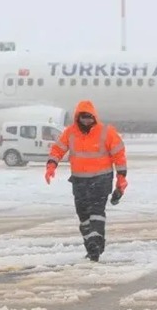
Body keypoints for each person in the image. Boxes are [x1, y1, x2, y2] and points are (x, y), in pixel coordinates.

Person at [44, 100, 128, 262]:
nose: (87, 121)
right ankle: (92, 244)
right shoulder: (70, 133)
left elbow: (119, 156)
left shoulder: (106, 132)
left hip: (101, 180)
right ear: (78, 118)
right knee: (83, 216)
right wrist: (51, 165)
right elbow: (58, 149)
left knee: (96, 213)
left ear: (94, 117)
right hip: (80, 181)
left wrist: (121, 179)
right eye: (83, 118)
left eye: (89, 118)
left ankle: (95, 243)